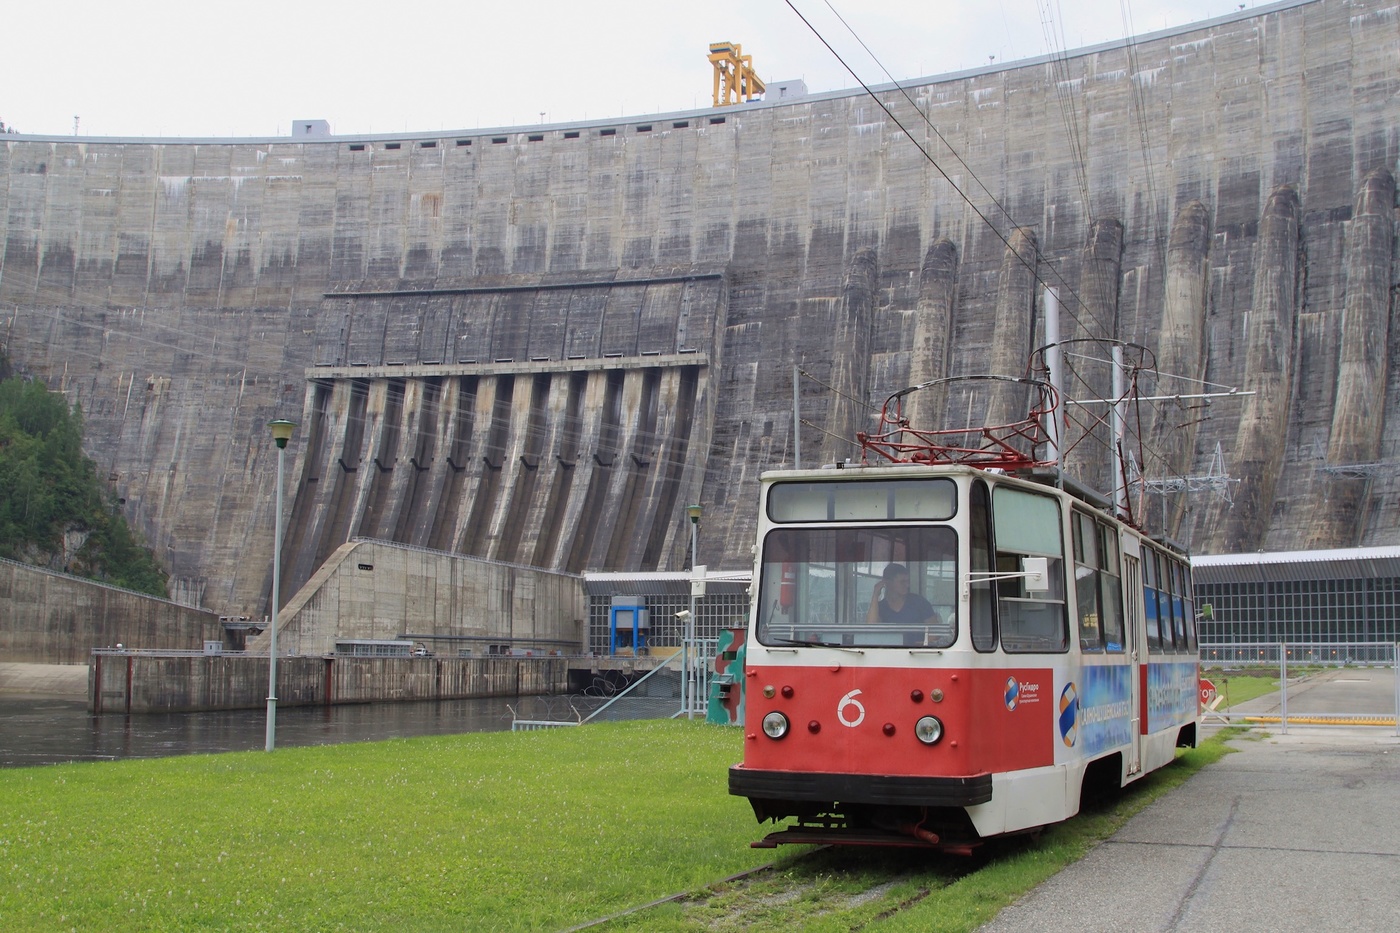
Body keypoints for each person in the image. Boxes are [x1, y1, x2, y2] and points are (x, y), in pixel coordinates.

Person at [866, 563, 941, 626]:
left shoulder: (920, 602)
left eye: (907, 581)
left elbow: (935, 632)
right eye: (902, 582)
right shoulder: (880, 607)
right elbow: (870, 628)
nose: (907, 585)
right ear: (887, 582)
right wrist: (875, 595)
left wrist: (920, 643)